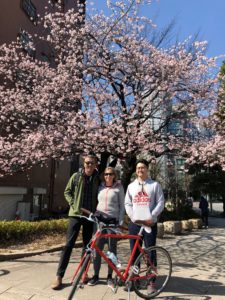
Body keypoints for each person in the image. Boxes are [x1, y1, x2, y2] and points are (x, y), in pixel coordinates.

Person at [51, 154, 100, 290]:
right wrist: (74, 205)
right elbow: (67, 192)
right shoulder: (76, 176)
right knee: (68, 245)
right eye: (87, 163)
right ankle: (59, 276)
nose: (89, 165)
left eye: (92, 163)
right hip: (76, 215)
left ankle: (83, 273)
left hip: (89, 216)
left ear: (96, 165)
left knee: (87, 246)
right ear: (84, 164)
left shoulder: (97, 179)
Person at [125, 159, 165, 294]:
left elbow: (160, 202)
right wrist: (132, 216)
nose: (140, 170)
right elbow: (127, 203)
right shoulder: (131, 186)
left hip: (149, 224)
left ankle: (151, 282)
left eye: (142, 168)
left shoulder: (155, 185)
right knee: (134, 253)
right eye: (138, 168)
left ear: (147, 169)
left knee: (150, 252)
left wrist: (151, 217)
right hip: (135, 224)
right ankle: (134, 279)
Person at [88, 167, 125, 287]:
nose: (107, 176)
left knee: (111, 251)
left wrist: (120, 221)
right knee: (97, 249)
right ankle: (96, 275)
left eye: (110, 174)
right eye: (105, 174)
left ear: (114, 175)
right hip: (100, 223)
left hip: (112, 223)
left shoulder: (119, 188)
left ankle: (110, 276)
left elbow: (122, 205)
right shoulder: (101, 187)